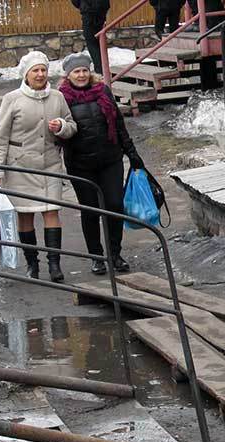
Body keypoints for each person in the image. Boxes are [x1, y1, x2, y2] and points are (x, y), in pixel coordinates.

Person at [0, 51, 77, 282]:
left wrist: (61, 128)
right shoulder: (12, 98)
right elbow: (1, 137)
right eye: (35, 70)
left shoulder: (57, 97)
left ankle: (55, 265)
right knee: (26, 215)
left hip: (50, 164)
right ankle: (32, 264)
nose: (40, 74)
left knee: (51, 212)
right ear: (26, 74)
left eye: (43, 70)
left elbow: (71, 125)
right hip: (21, 166)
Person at [58, 53, 143, 275]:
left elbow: (118, 123)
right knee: (90, 210)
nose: (81, 75)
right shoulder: (61, 98)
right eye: (76, 71)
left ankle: (114, 254)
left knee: (114, 205)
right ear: (68, 75)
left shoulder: (103, 92)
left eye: (85, 70)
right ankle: (96, 256)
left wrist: (132, 153)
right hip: (80, 164)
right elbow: (58, 133)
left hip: (110, 159)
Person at [71, 0, 110, 74]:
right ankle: (104, 69)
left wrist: (82, 5)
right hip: (101, 13)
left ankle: (100, 71)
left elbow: (75, 1)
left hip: (88, 13)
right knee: (100, 43)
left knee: (92, 44)